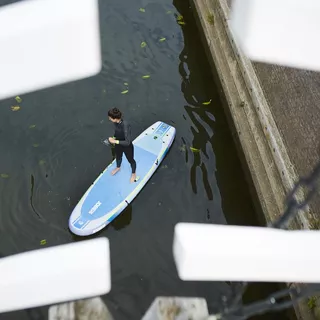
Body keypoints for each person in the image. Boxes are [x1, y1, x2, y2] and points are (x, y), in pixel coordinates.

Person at [107, 108, 137, 183]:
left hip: (127, 146)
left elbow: (127, 142)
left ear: (115, 118)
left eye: (110, 117)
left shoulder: (125, 125)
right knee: (118, 156)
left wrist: (115, 141)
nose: (109, 119)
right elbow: (117, 133)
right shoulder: (115, 123)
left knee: (131, 160)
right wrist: (113, 138)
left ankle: (133, 174)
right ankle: (118, 167)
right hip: (118, 145)